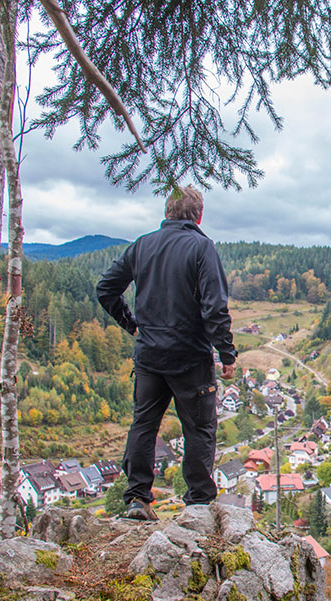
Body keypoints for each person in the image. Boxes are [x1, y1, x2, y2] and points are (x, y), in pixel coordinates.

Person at [97, 186, 236, 520]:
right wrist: (227, 353)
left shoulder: (142, 245)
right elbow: (214, 307)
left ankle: (137, 500)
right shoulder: (202, 248)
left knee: (144, 424)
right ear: (199, 215)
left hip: (149, 357)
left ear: (167, 212)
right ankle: (199, 504)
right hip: (190, 358)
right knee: (199, 429)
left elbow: (106, 289)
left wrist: (132, 325)